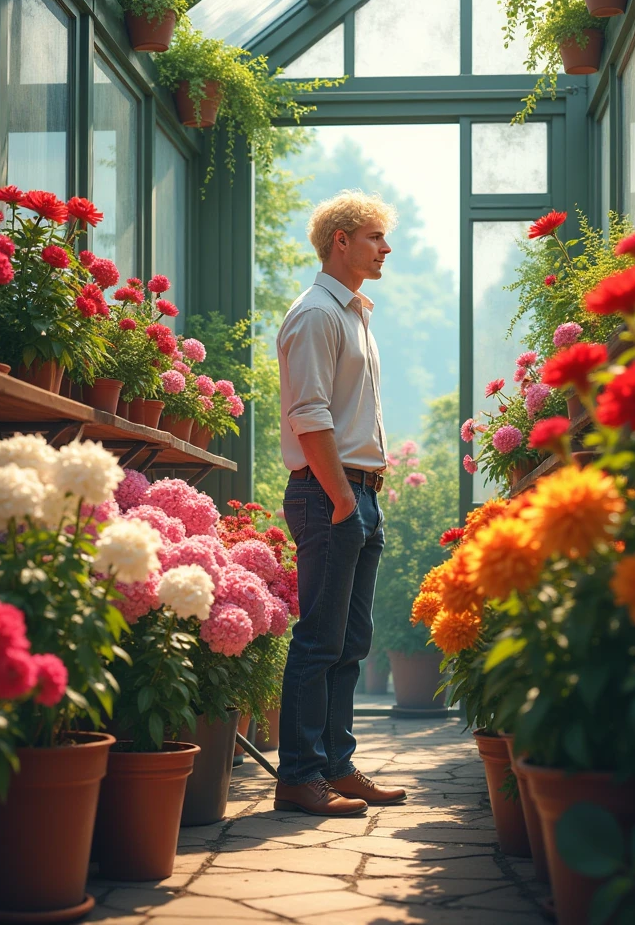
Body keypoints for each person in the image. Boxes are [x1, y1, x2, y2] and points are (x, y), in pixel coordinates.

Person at [274, 190, 407, 816]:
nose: (386, 248)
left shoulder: (355, 313)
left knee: (351, 641)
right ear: (342, 240)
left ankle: (335, 765)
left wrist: (362, 500)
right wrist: (343, 503)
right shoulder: (316, 315)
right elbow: (310, 417)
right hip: (331, 495)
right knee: (320, 641)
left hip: (357, 494)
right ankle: (300, 777)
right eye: (377, 236)